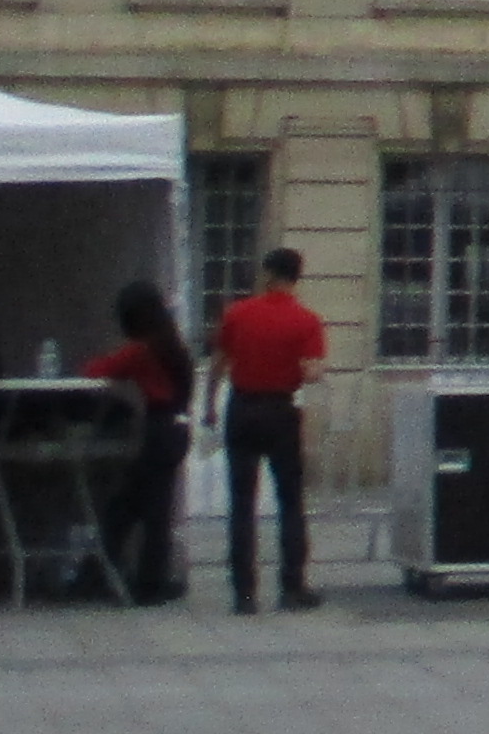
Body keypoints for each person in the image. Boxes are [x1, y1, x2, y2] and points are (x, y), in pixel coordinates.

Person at [209, 243, 326, 615]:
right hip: (281, 411)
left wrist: (211, 405)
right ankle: (292, 586)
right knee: (290, 501)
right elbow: (312, 373)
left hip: (241, 408)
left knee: (242, 502)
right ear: (296, 277)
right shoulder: (307, 321)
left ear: (268, 274)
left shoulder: (237, 313)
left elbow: (219, 362)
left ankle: (244, 593)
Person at [83, 279, 196, 605]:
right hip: (177, 427)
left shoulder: (141, 350)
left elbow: (99, 370)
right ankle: (141, 578)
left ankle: (136, 582)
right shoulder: (172, 344)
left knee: (134, 506)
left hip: (158, 430)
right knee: (148, 506)